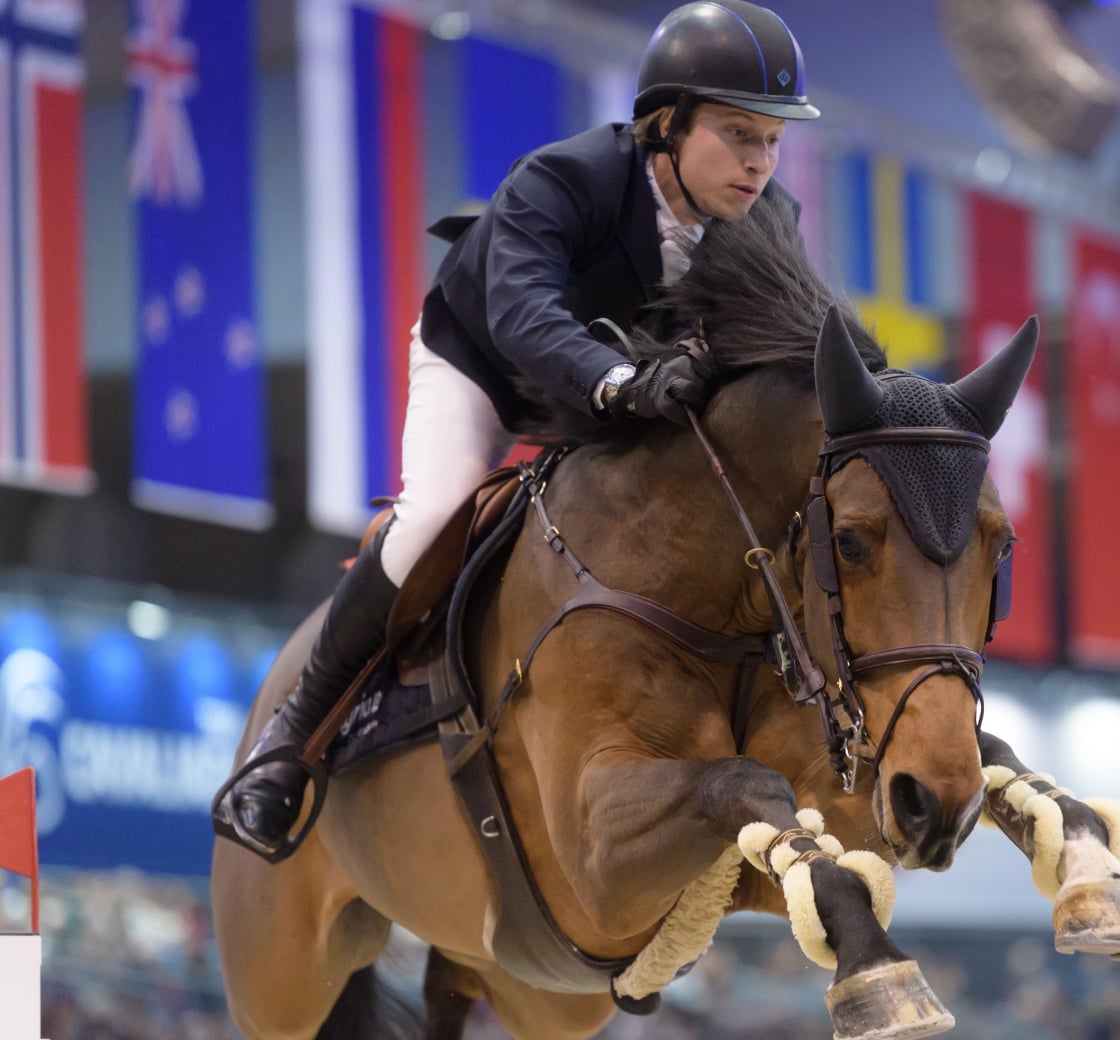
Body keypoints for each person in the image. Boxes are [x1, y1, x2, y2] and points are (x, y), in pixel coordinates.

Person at [214, 0, 819, 860]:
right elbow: (524, 315)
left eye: (772, 140)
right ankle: (292, 732)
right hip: (490, 372)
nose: (759, 163)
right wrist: (621, 380)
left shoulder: (770, 221)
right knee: (435, 513)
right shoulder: (563, 178)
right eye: (738, 134)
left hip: (627, 401)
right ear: (666, 122)